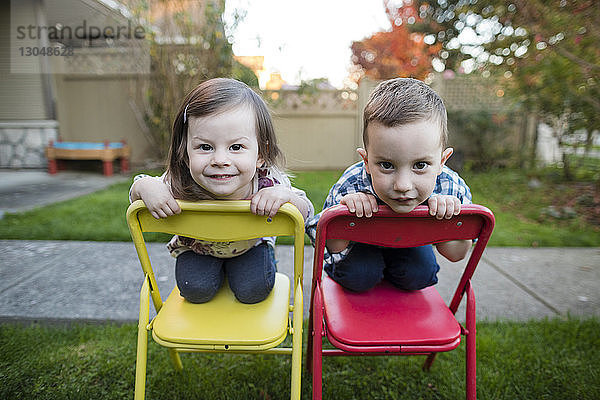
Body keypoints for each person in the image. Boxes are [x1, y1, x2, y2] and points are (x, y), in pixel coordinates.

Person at [130, 78, 314, 304]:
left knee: (254, 291)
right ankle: (215, 273)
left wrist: (286, 197)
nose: (220, 160)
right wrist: (144, 186)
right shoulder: (180, 182)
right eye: (205, 147)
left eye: (236, 147)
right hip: (198, 250)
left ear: (260, 154)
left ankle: (247, 269)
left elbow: (306, 214)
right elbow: (137, 199)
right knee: (195, 291)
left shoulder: (268, 183)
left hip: (249, 248)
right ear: (186, 153)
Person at [306, 77, 472, 293]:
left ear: (442, 161)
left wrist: (449, 220)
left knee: (420, 275)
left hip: (411, 242)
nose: (402, 185)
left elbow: (456, 254)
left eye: (420, 165)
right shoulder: (353, 182)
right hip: (360, 245)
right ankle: (373, 270)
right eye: (386, 165)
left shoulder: (451, 187)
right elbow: (333, 245)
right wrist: (346, 213)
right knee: (360, 276)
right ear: (366, 161)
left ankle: (396, 271)